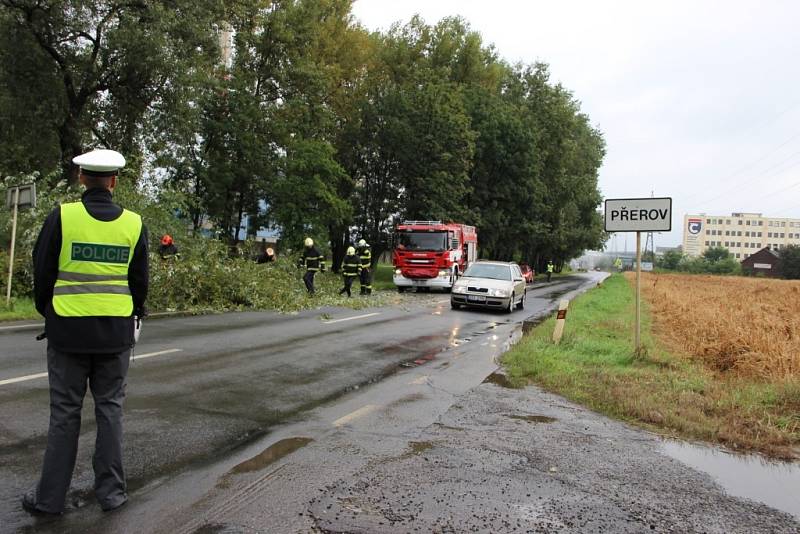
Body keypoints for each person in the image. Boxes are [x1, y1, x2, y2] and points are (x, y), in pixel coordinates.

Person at [23, 149, 148, 516]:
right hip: (115, 335)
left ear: (81, 177)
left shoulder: (62, 216)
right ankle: (112, 495)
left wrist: (49, 310)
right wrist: (134, 313)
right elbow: (139, 282)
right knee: (110, 410)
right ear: (113, 182)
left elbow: (42, 269)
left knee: (64, 413)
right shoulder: (134, 224)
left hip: (67, 333)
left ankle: (49, 500)